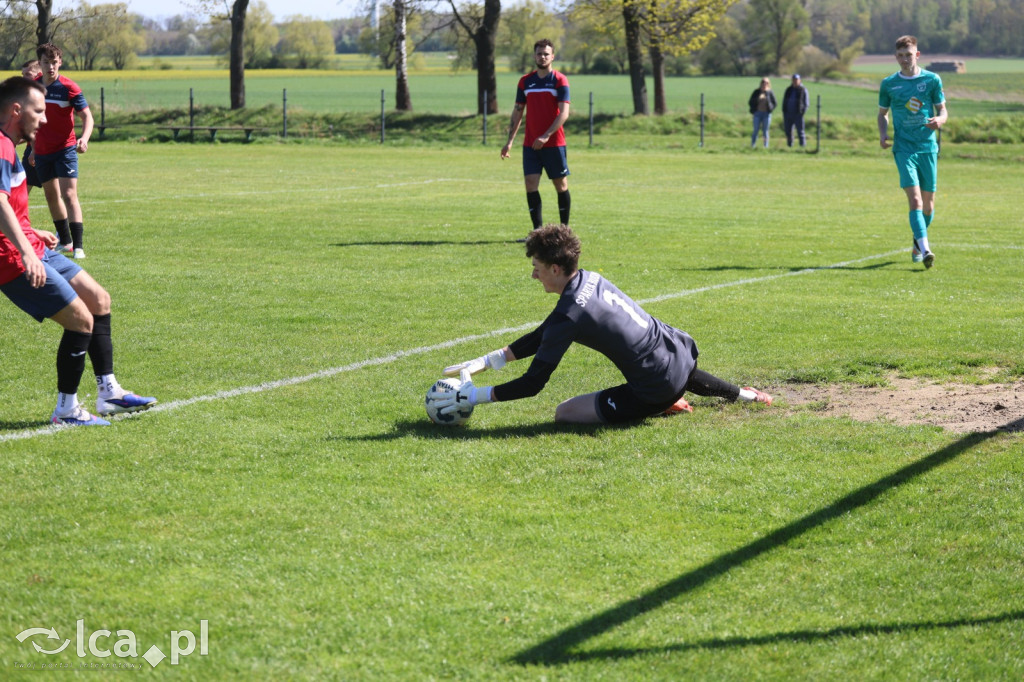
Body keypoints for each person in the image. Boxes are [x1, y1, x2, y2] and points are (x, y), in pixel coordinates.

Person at [430, 224, 772, 424]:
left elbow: (534, 383)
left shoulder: (570, 313)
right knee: (661, 369)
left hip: (656, 387)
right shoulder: (589, 280)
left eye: (536, 265)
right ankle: (735, 395)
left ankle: (662, 402)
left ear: (554, 268)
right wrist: (488, 361)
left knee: (564, 413)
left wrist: (477, 396)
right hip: (679, 355)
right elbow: (543, 333)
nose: (533, 273)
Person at [0, 76, 155, 427]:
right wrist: (25, 250)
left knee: (99, 300)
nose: (44, 119)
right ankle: (66, 410)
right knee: (80, 320)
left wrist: (33, 231)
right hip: (11, 258)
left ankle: (109, 393)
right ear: (15, 110)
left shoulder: (8, 144)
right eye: (38, 111)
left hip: (29, 244)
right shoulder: (1, 146)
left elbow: (10, 205)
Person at [878, 35, 947, 269]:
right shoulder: (889, 84)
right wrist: (882, 133)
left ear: (917, 55)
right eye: (900, 55)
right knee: (915, 200)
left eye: (909, 54)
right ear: (895, 57)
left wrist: (940, 120)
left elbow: (943, 110)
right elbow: (882, 113)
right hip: (904, 148)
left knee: (928, 206)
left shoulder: (932, 80)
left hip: (928, 148)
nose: (904, 59)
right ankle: (926, 248)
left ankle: (917, 242)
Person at [500, 39, 571, 237]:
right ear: (534, 56)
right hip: (530, 145)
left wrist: (546, 136)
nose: (542, 57)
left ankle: (564, 231)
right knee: (531, 185)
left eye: (546, 54)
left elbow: (564, 113)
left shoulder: (559, 80)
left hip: (554, 143)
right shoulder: (525, 82)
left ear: (552, 56)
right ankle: (537, 233)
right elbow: (517, 113)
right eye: (539, 53)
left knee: (561, 185)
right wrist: (509, 142)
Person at [32, 43, 93, 259]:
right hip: (41, 150)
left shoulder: (69, 87)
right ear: (39, 63)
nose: (50, 67)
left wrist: (83, 139)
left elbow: (87, 117)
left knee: (69, 194)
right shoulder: (33, 87)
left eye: (54, 62)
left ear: (60, 63)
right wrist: (31, 149)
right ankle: (65, 242)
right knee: (51, 196)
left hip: (65, 148)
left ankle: (78, 246)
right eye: (46, 63)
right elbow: (31, 120)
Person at [19, 60, 42, 193]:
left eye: (28, 74)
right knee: (21, 192)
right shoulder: (26, 96)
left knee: (61, 193)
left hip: (47, 150)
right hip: (32, 149)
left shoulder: (44, 96)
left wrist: (34, 150)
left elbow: (41, 126)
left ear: (39, 74)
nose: (23, 78)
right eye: (22, 74)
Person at [748, 77, 776, 149]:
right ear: (761, 83)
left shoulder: (770, 92)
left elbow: (774, 103)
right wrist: (757, 99)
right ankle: (753, 145)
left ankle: (765, 146)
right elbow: (750, 102)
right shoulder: (756, 92)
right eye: (763, 82)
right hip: (757, 113)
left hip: (766, 114)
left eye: (766, 83)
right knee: (756, 130)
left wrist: (770, 108)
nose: (764, 84)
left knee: (765, 131)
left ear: (768, 84)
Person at [782, 74, 809, 148]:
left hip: (798, 114)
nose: (795, 81)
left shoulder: (803, 90)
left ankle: (802, 146)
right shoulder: (789, 89)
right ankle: (790, 145)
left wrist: (802, 112)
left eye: (797, 80)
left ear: (800, 80)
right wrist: (784, 110)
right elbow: (785, 100)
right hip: (788, 114)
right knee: (788, 131)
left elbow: (806, 103)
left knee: (800, 131)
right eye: (794, 79)